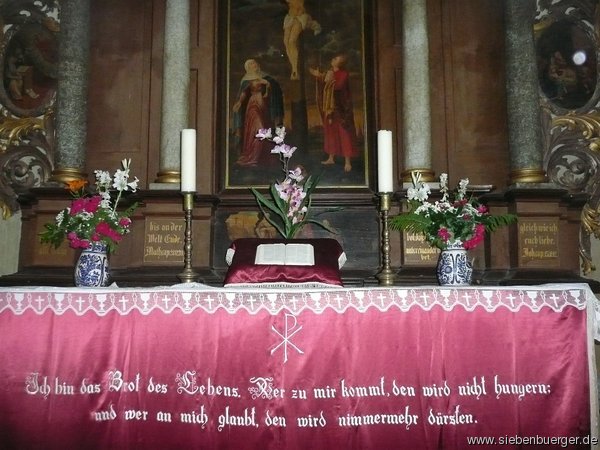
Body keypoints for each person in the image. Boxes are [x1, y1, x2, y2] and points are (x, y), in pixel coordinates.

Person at [309, 54, 358, 172]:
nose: (333, 59)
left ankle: (347, 161)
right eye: (334, 58)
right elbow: (325, 84)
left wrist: (325, 77)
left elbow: (338, 87)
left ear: (340, 63)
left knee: (344, 133)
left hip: (341, 108)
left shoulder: (343, 74)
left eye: (336, 59)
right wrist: (319, 76)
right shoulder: (330, 72)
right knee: (330, 132)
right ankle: (331, 157)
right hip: (329, 107)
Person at [232, 59, 284, 166]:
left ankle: (261, 157)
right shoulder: (246, 80)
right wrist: (239, 103)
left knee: (264, 126)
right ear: (248, 68)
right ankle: (252, 156)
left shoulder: (264, 78)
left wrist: (268, 86)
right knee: (258, 128)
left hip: (263, 106)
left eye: (254, 63)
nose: (254, 65)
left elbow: (270, 89)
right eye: (251, 64)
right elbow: (243, 93)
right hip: (253, 105)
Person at [283, 0, 321, 80]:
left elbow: (299, 6)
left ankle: (295, 70)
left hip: (300, 17)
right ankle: (293, 68)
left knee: (292, 41)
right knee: (286, 42)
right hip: (291, 17)